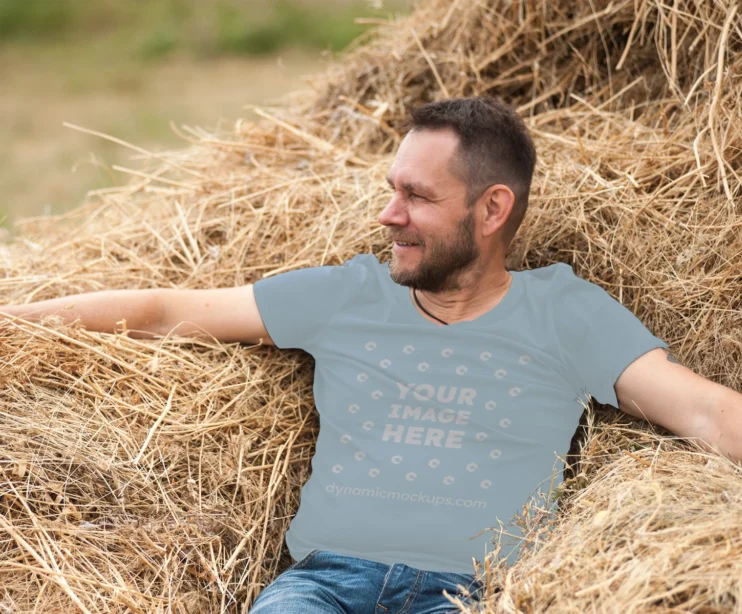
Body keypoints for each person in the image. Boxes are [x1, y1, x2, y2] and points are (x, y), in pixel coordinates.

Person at [0, 96, 674, 613]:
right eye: (392, 188)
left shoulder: (564, 312)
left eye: (416, 196)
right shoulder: (349, 293)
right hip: (324, 586)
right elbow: (163, 312)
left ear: (492, 208)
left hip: (475, 593)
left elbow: (699, 409)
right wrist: (11, 322)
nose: (388, 214)